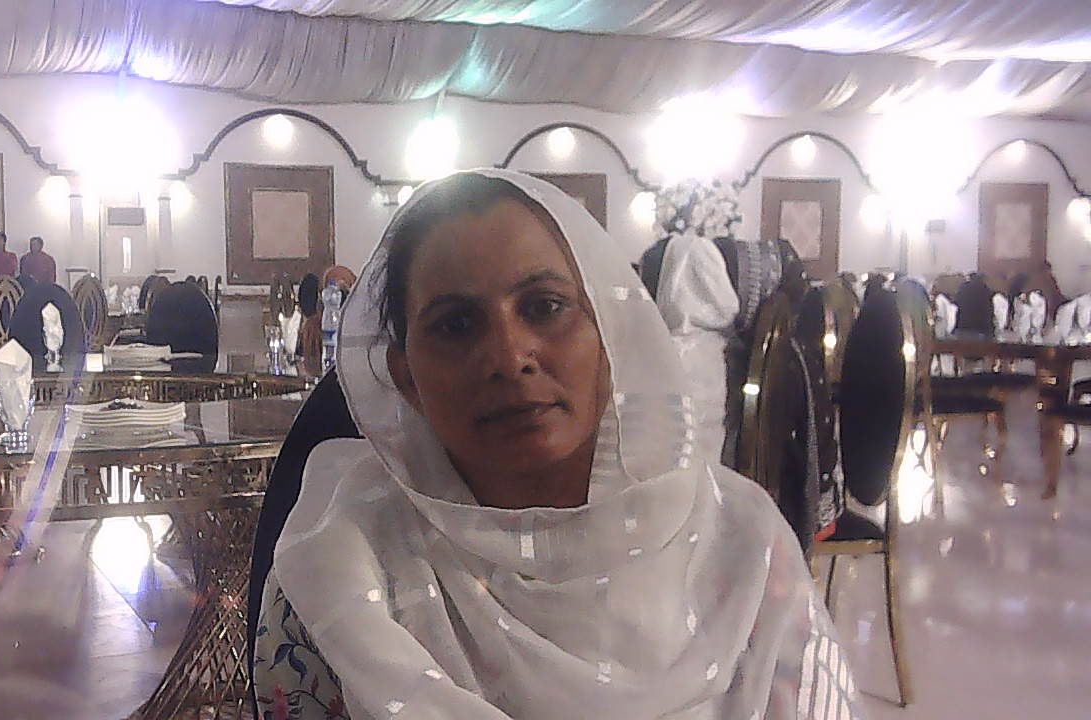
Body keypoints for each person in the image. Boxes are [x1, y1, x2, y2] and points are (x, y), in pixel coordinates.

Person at [255, 170, 861, 719]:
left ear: (610, 334)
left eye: (545, 307)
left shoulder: (742, 546)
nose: (510, 356)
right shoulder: (339, 568)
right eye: (456, 324)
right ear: (405, 375)